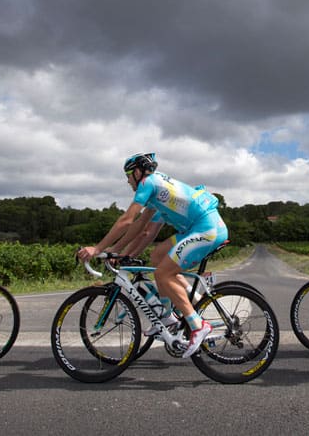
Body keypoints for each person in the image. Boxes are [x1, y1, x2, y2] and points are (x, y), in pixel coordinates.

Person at [76, 153, 229, 358]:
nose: (128, 180)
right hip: (198, 228)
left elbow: (127, 220)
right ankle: (167, 317)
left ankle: (197, 324)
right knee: (157, 257)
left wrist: (97, 248)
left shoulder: (148, 184)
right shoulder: (158, 187)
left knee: (163, 274)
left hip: (206, 230)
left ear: (138, 172)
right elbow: (141, 226)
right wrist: (116, 251)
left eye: (129, 175)